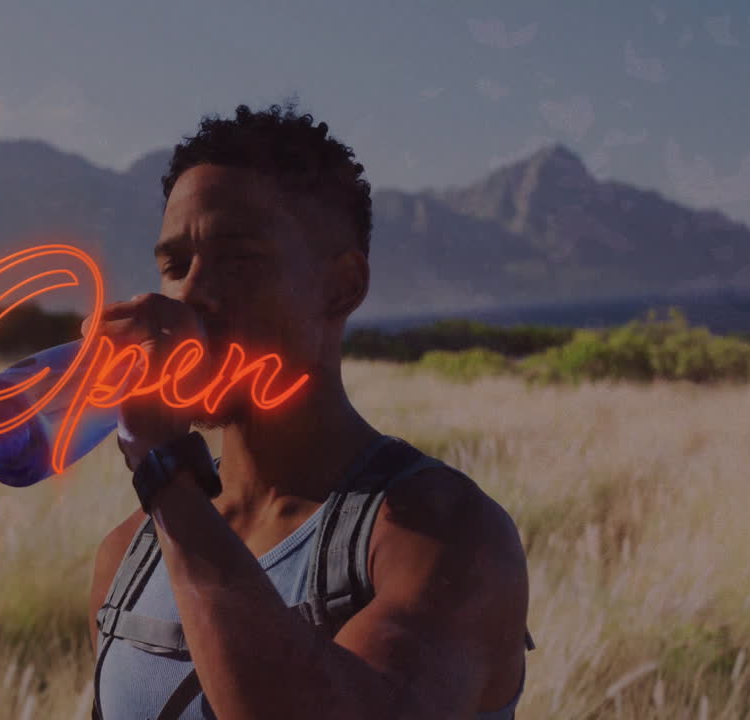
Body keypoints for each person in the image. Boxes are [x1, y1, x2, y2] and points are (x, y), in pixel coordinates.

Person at [82, 102, 532, 720]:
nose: (190, 293)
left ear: (342, 286)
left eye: (238, 260)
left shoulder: (443, 538)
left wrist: (167, 476)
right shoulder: (128, 556)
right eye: (175, 266)